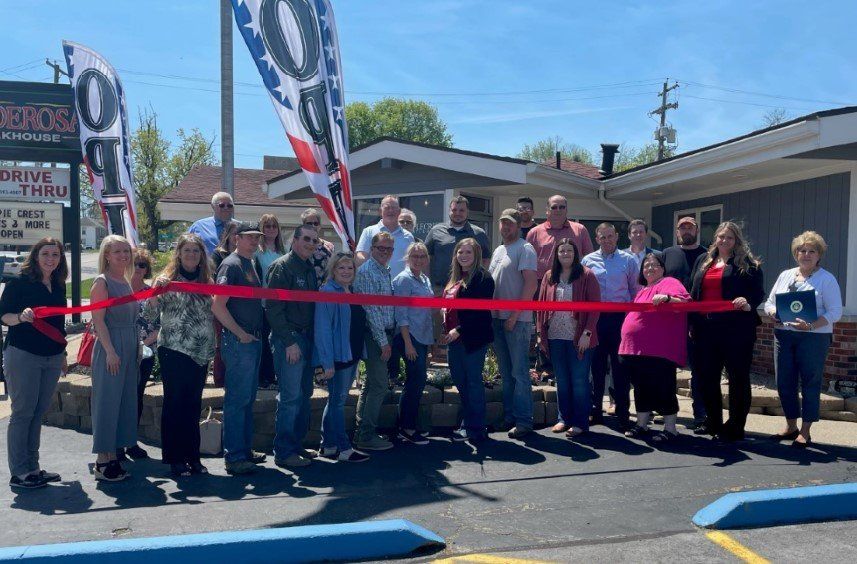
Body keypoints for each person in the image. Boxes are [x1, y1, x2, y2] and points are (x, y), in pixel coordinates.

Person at [144, 234, 215, 477]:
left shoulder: (208, 281)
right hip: (173, 349)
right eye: (187, 250)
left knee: (193, 405)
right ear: (179, 253)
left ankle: (192, 457)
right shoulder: (166, 281)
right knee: (175, 403)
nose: (192, 255)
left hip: (200, 351)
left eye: (196, 251)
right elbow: (150, 313)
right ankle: (175, 458)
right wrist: (155, 292)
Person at [0, 238, 68, 490]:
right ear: (36, 256)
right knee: (23, 412)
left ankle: (33, 468)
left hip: (51, 356)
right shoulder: (19, 283)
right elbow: (3, 316)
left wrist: (62, 354)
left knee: (38, 412)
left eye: (56, 254)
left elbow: (58, 324)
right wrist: (21, 316)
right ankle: (19, 473)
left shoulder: (58, 286)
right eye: (46, 254)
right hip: (23, 354)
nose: (51, 259)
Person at [764, 231, 842, 448]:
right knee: (784, 383)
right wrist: (773, 313)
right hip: (784, 335)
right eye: (802, 250)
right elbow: (769, 303)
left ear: (819, 255)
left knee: (810, 382)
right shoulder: (785, 275)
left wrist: (810, 325)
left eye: (811, 251)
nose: (806, 254)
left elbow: (835, 312)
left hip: (813, 339)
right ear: (795, 253)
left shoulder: (826, 279)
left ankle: (805, 430)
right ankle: (791, 426)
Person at [690, 221, 765, 442]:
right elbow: (693, 293)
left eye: (730, 237)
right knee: (707, 378)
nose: (725, 241)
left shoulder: (748, 264)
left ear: (737, 241)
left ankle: (735, 426)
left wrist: (748, 301)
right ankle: (713, 421)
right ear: (716, 238)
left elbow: (757, 293)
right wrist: (692, 323)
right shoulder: (703, 261)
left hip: (736, 330)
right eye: (721, 236)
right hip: (706, 329)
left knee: (738, 378)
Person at [212, 221, 266, 475]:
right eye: (249, 237)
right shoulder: (231, 265)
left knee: (246, 399)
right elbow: (218, 305)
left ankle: (244, 450)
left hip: (250, 340)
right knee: (236, 400)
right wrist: (240, 333)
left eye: (257, 237)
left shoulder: (251, 263)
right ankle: (234, 456)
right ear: (237, 238)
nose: (254, 240)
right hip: (239, 342)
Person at [619, 253, 691, 442]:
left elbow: (684, 302)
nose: (650, 268)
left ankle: (670, 428)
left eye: (654, 265)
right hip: (636, 349)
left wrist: (667, 298)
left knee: (664, 387)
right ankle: (642, 424)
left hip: (659, 349)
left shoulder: (669, 282)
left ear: (662, 268)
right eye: (646, 265)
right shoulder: (643, 290)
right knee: (641, 387)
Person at [266, 225, 319, 468]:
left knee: (304, 395)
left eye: (314, 240)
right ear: (295, 240)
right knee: (290, 397)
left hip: (307, 339)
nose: (311, 244)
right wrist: (288, 342)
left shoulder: (309, 268)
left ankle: (296, 445)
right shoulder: (282, 266)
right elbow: (273, 308)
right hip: (290, 339)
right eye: (306, 239)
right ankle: (284, 452)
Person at [535, 239, 600, 438]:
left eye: (569, 250)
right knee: (562, 380)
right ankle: (564, 419)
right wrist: (540, 334)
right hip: (555, 336)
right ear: (556, 254)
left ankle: (580, 422)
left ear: (575, 253)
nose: (565, 254)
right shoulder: (549, 276)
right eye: (561, 250)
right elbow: (540, 306)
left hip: (578, 337)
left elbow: (595, 306)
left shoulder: (586, 274)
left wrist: (587, 334)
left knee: (579, 381)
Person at [89, 235, 139, 482]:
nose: (123, 255)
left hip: (129, 344)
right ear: (106, 255)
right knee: (107, 403)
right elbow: (98, 320)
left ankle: (113, 457)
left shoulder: (126, 280)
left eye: (126, 251)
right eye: (117, 251)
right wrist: (109, 350)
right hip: (112, 346)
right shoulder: (102, 282)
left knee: (122, 404)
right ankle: (102, 461)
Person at [582, 223, 640, 429]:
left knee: (620, 368)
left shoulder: (629, 261)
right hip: (596, 320)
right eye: (602, 237)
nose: (607, 240)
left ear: (617, 237)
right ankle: (595, 410)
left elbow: (635, 291)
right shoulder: (587, 261)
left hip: (620, 320)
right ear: (596, 239)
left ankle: (623, 413)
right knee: (596, 368)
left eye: (610, 236)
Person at [314, 252, 370, 462]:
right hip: (337, 358)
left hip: (351, 354)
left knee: (335, 401)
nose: (346, 272)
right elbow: (323, 329)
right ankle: (344, 448)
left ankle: (328, 445)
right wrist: (326, 362)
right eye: (341, 268)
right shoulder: (327, 291)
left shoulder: (352, 290)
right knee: (338, 403)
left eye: (350, 268)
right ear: (333, 270)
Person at [488, 209, 538, 438]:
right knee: (506, 374)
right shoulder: (499, 249)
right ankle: (509, 417)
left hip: (516, 321)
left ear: (518, 226)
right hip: (498, 320)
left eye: (510, 224)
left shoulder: (525, 248)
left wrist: (515, 315)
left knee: (519, 373)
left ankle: (524, 421)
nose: (505, 227)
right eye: (503, 223)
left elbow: (530, 285)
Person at [441, 238, 495, 444]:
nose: (463, 256)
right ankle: (467, 422)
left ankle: (476, 427)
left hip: (473, 339)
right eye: (460, 252)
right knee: (460, 381)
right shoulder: (455, 277)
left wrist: (459, 329)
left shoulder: (483, 278)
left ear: (476, 255)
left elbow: (480, 314)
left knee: (473, 382)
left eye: (468, 253)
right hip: (453, 340)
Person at [662, 216, 708, 429]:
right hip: (670, 320)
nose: (686, 230)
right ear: (677, 231)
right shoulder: (667, 254)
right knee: (666, 367)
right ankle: (667, 410)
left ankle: (700, 414)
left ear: (697, 230)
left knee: (699, 369)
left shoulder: (707, 255)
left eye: (690, 227)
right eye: (682, 227)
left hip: (697, 321)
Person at [353, 232, 396, 451]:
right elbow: (371, 311)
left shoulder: (384, 271)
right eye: (381, 248)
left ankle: (362, 432)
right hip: (375, 336)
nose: (385, 252)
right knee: (379, 385)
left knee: (371, 384)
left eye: (389, 249)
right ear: (372, 248)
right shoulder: (368, 272)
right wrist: (383, 342)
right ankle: (366, 436)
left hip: (382, 335)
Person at [391, 242, 434, 445]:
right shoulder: (403, 280)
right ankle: (406, 428)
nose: (418, 260)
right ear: (407, 258)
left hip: (422, 336)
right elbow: (401, 315)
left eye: (422, 256)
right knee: (415, 381)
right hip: (410, 337)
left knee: (417, 382)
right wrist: (408, 344)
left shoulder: (424, 279)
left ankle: (409, 425)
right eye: (414, 256)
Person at [120, 247, 158, 462]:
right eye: (134, 264)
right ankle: (116, 444)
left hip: (144, 354)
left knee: (136, 398)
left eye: (142, 265)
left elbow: (158, 325)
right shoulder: (117, 290)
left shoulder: (151, 293)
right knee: (120, 397)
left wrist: (141, 345)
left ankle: (131, 442)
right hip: (120, 352)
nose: (138, 269)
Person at [425, 195, 491, 291]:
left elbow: (486, 258)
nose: (457, 213)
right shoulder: (436, 231)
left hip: (469, 288)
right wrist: (428, 281)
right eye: (454, 210)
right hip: (439, 289)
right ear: (449, 211)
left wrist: (478, 280)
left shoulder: (479, 233)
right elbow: (426, 257)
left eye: (461, 210)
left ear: (467, 212)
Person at [526, 194, 594, 283]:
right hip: (542, 282)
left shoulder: (580, 230)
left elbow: (589, 258)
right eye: (554, 207)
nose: (558, 210)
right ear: (547, 210)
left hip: (574, 282)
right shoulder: (534, 232)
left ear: (566, 210)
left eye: (562, 207)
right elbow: (526, 263)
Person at [255, 214, 285, 390]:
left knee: (277, 341)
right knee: (264, 342)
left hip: (280, 305)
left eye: (274, 226)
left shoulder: (284, 250)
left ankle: (273, 375)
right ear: (261, 228)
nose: (271, 230)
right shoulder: (257, 252)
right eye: (267, 226)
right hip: (262, 304)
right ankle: (263, 377)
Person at [356, 195, 414, 278]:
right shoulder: (369, 231)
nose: (391, 211)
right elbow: (360, 256)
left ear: (399, 212)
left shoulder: (408, 236)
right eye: (387, 208)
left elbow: (413, 262)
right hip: (375, 285)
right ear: (380, 211)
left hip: (401, 288)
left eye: (394, 208)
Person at [301, 208, 336, 281]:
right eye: (309, 223)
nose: (313, 226)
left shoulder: (329, 246)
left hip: (325, 289)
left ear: (320, 226)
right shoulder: (298, 245)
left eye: (316, 223)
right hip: (304, 289)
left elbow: (333, 270)